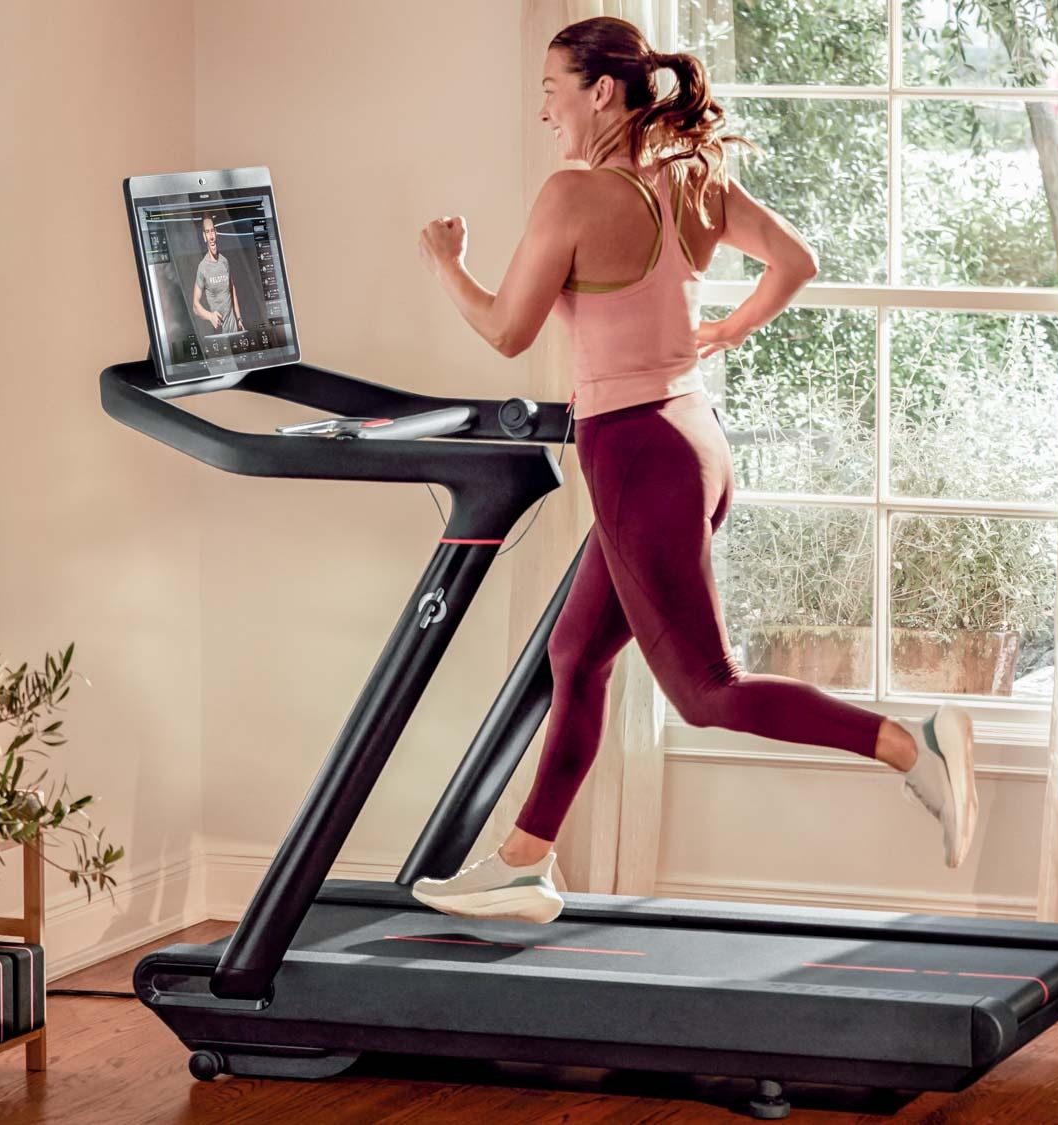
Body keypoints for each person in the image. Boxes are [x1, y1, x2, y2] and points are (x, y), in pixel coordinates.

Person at [410, 16, 976, 924]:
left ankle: (914, 747)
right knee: (576, 654)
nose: (545, 111)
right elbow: (796, 261)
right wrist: (726, 330)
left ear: (602, 91)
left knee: (707, 691)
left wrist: (448, 264)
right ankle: (524, 862)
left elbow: (506, 331)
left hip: (635, 453)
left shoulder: (573, 195)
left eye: (553, 90)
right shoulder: (694, 179)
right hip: (692, 438)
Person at [190, 213, 244, 336]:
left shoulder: (225, 262)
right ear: (204, 236)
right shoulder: (202, 267)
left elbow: (232, 289)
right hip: (220, 336)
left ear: (216, 233)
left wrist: (239, 318)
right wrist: (210, 316)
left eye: (212, 231)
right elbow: (195, 306)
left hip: (235, 331)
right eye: (207, 232)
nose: (211, 236)